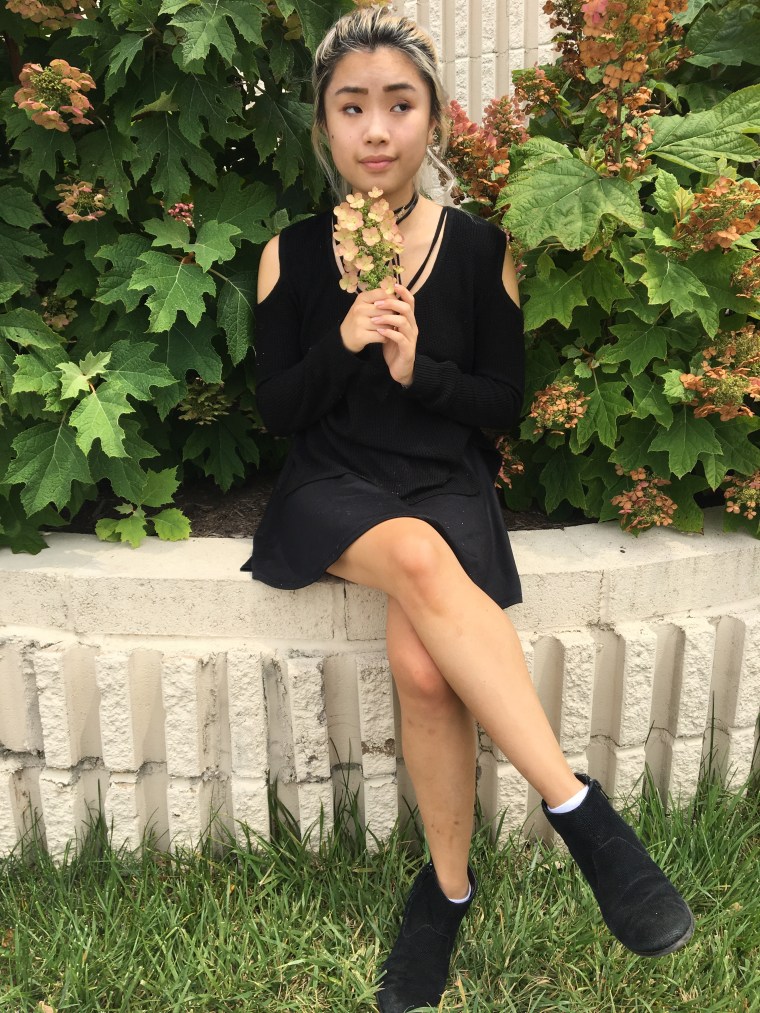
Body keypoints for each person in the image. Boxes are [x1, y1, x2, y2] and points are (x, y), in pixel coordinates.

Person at [242, 7, 694, 1011]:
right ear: (322, 126)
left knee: (423, 668)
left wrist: (420, 369)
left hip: (443, 474)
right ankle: (581, 814)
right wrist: (345, 340)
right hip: (336, 481)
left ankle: (446, 891)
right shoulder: (289, 254)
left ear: (434, 120)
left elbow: (501, 404)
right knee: (411, 553)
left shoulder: (484, 249)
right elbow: (277, 409)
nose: (375, 130)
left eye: (399, 105)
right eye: (351, 107)